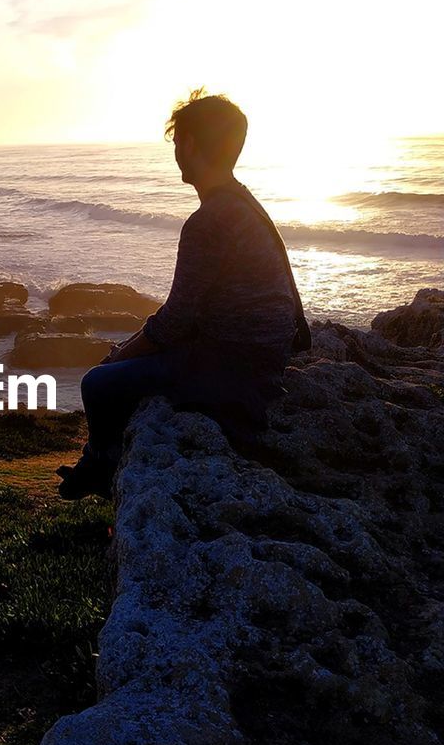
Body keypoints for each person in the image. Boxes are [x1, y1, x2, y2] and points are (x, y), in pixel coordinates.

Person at [57, 89, 310, 500]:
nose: (176, 152)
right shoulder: (244, 202)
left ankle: (102, 466)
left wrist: (121, 353)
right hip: (259, 357)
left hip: (231, 369)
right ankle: (98, 459)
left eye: (177, 142)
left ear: (189, 145)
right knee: (122, 363)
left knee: (97, 383)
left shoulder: (208, 221)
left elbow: (174, 322)